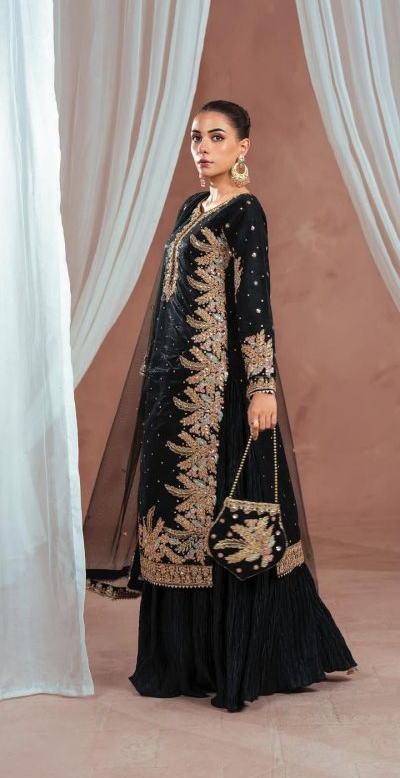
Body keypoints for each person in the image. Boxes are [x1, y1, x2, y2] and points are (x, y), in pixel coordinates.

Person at [84, 100, 357, 712]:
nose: (203, 148)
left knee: (231, 517)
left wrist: (261, 386)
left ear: (243, 147)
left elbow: (254, 302)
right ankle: (182, 660)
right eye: (196, 138)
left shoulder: (245, 212)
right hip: (172, 390)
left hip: (220, 393)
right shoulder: (191, 208)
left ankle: (247, 656)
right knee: (171, 521)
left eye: (216, 137)